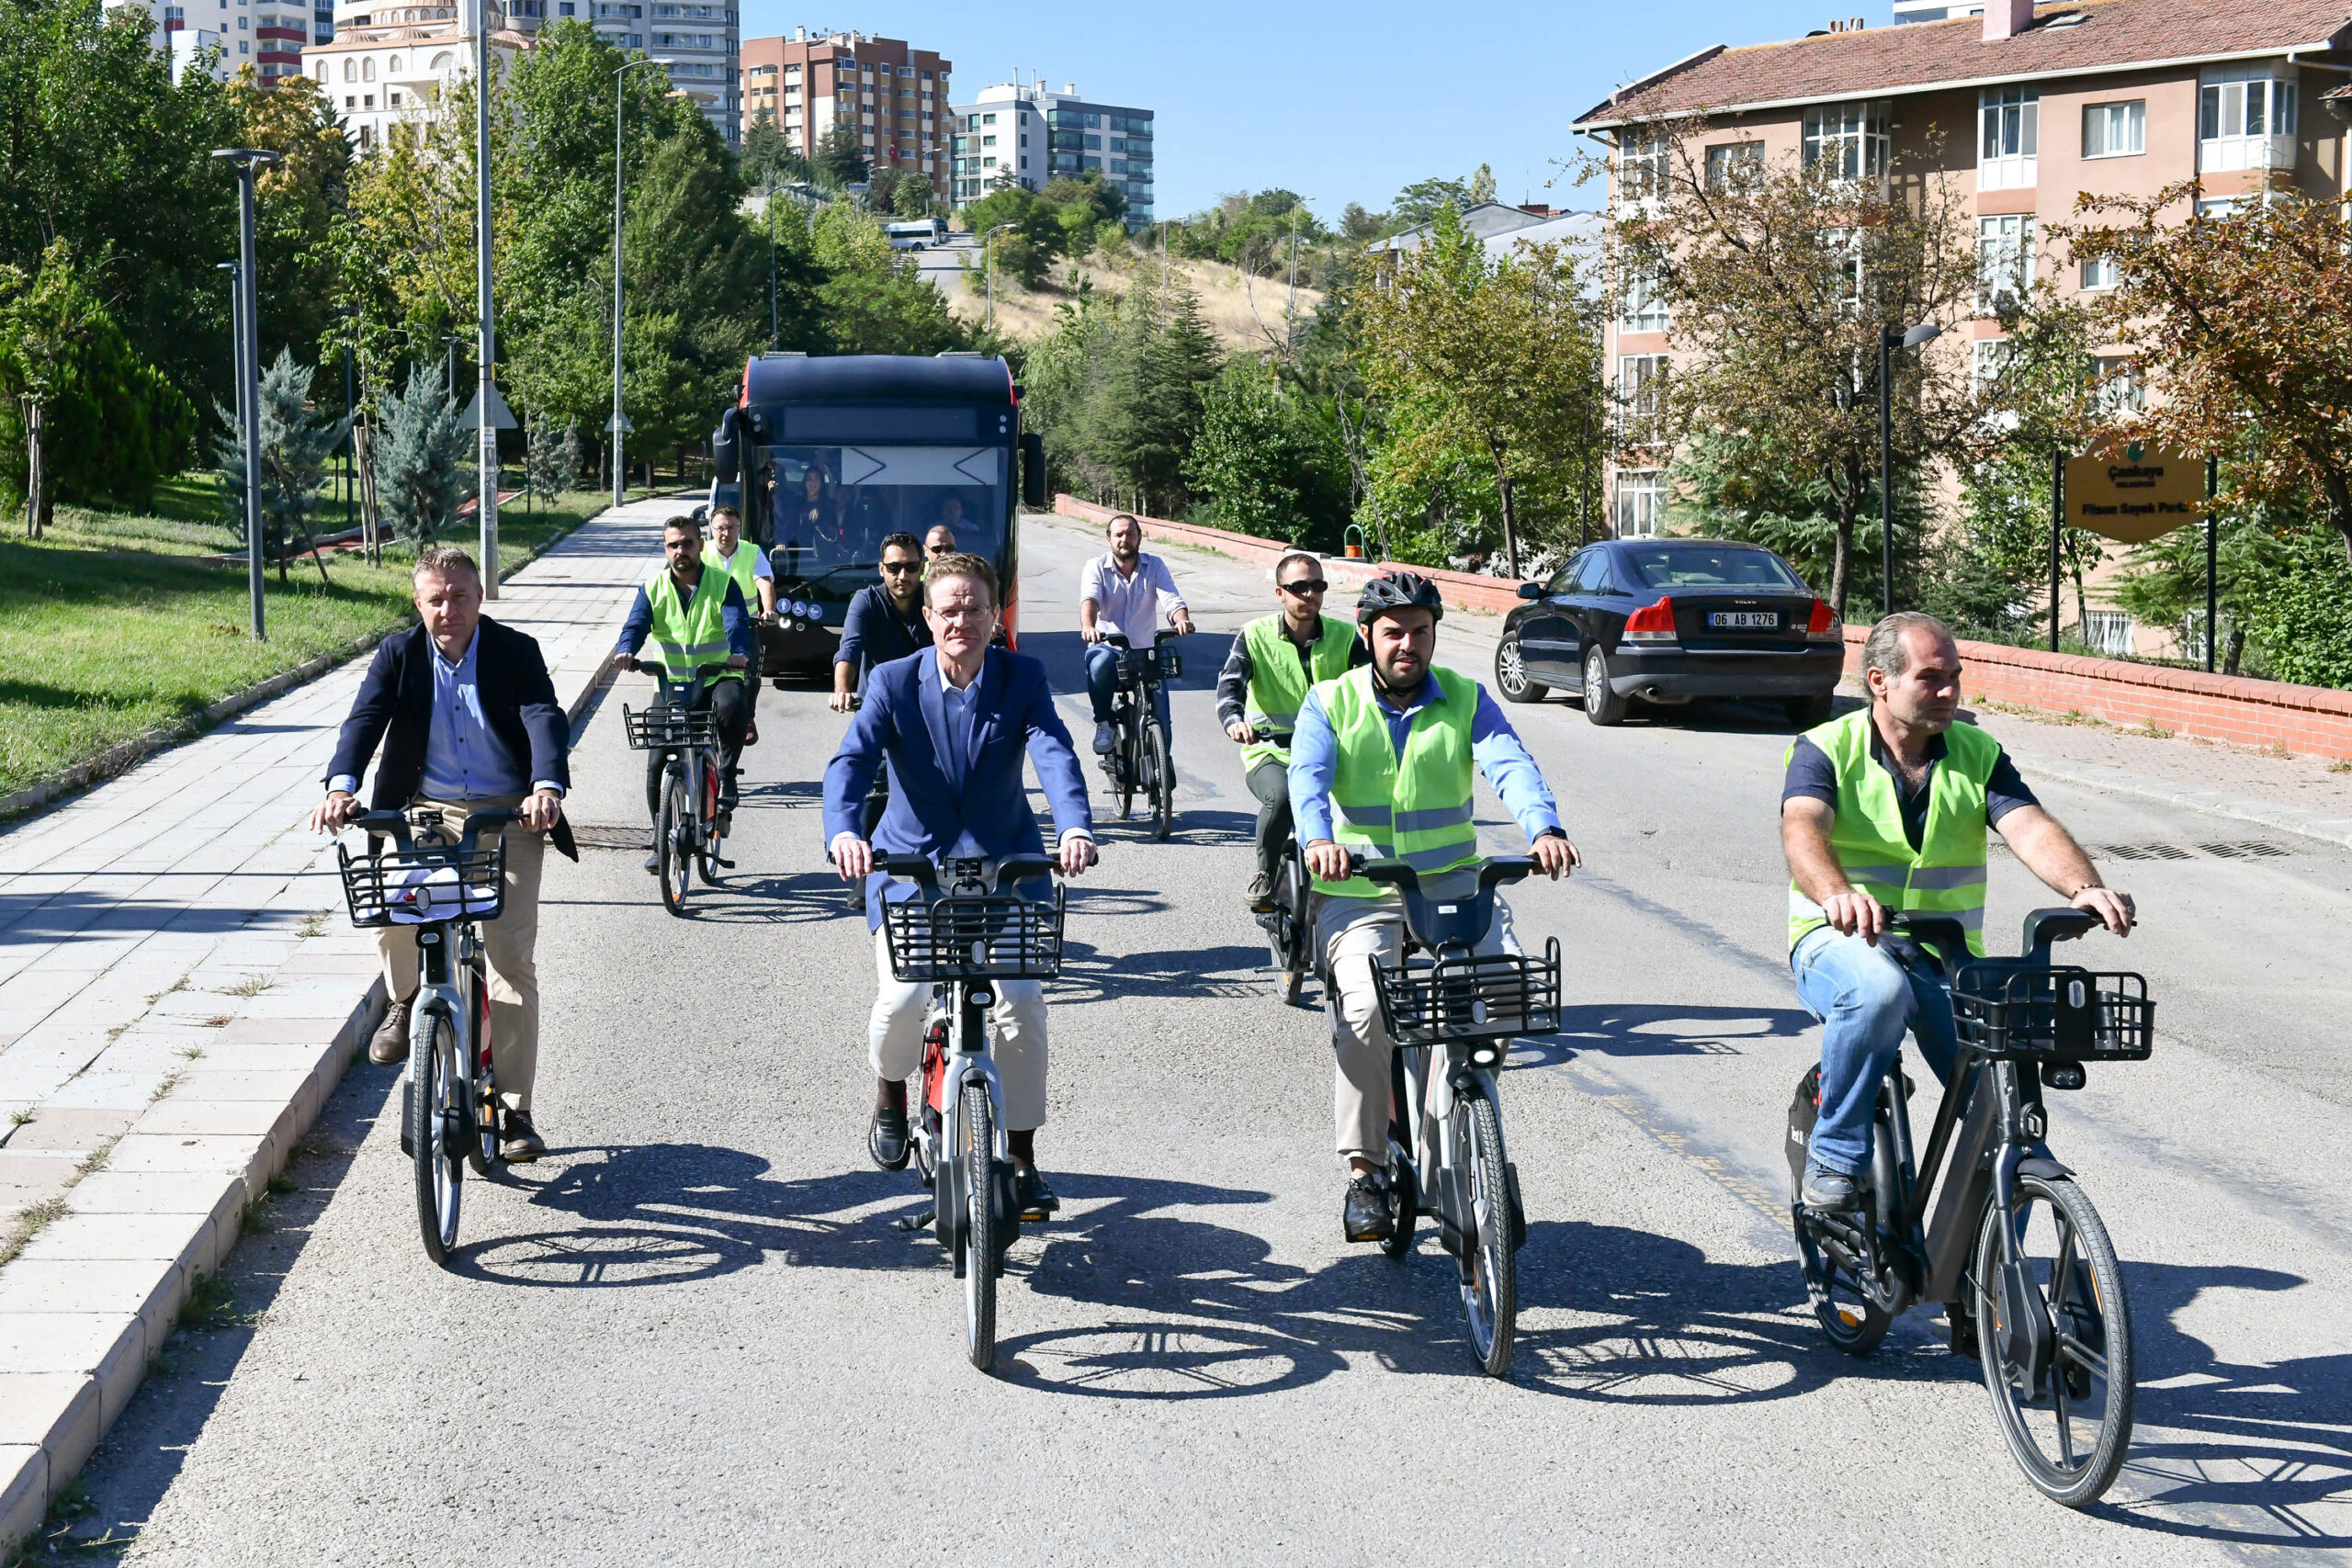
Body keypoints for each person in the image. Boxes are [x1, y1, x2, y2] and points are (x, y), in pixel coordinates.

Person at [1783, 612, 2134, 1211]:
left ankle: (1991, 1288)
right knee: (1878, 992)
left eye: (1955, 676)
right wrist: (1836, 892)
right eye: (1930, 678)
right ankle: (1834, 1151)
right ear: (1879, 681)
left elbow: (2027, 824)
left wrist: (2083, 886)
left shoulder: (1976, 751)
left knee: (2002, 1112)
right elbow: (1803, 828)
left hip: (1944, 956)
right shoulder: (1825, 748)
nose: (1949, 691)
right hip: (1841, 939)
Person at [1293, 571, 1579, 1243]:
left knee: (1505, 990)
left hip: (1453, 883)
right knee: (1365, 1010)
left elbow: (1509, 762)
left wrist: (1543, 826)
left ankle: (1454, 1121)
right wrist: (1319, 840)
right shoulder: (1328, 701)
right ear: (1367, 635)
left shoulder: (1465, 698)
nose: (1407, 645)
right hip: (1362, 889)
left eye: (1420, 632)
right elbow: (1307, 780)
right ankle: (1366, 1170)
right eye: (1393, 632)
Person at [822, 553, 1097, 1218]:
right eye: (948, 608)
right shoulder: (891, 681)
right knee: (904, 999)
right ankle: (891, 1089)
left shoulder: (1021, 677)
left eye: (975, 607)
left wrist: (1074, 828)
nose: (962, 620)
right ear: (928, 615)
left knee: (1023, 1005)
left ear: (994, 616)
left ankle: (1025, 1156)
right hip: (911, 871)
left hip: (1004, 871)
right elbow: (852, 761)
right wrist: (845, 833)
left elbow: (1054, 751)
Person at [310, 545, 576, 1162]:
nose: (447, 609)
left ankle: (514, 1111)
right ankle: (408, 1001)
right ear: (418, 603)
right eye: (436, 599)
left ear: (480, 597)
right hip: (427, 814)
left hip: (507, 812)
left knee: (510, 957)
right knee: (390, 907)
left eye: (459, 596)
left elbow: (543, 716)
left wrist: (545, 786)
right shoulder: (398, 656)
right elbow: (363, 720)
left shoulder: (515, 652)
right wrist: (340, 787)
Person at [1217, 551, 1364, 911]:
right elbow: (1229, 687)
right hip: (1270, 752)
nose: (1309, 595)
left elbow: (1370, 689)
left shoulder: (1346, 637)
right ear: (1280, 592)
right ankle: (1266, 872)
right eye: (1299, 587)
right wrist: (1235, 721)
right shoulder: (1254, 635)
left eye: (1317, 586)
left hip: (1331, 752)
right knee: (1282, 798)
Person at [614, 514, 755, 869]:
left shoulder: (723, 584)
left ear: (700, 546)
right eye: (673, 544)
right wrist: (626, 649)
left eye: (687, 543)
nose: (681, 551)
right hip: (672, 683)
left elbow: (737, 623)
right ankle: (659, 837)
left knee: (732, 706)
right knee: (656, 760)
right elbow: (636, 624)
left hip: (717, 676)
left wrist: (738, 653)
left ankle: (725, 776)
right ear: (666, 549)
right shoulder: (653, 588)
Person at [1079, 513, 1194, 756]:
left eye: (1130, 534)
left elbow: (1171, 598)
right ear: (1109, 539)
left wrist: (1181, 619)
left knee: (1162, 719)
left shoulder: (1155, 566)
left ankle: (1162, 774)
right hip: (1109, 646)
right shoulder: (1096, 567)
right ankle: (1104, 723)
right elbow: (1090, 599)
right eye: (1119, 534)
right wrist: (1089, 627)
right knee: (1098, 664)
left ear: (1139, 537)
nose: (1125, 539)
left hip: (1146, 651)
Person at [831, 532, 933, 715]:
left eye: (911, 566)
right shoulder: (866, 600)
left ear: (922, 567)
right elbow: (849, 649)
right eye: (894, 567)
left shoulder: (935, 599)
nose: (902, 575)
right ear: (881, 569)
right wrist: (842, 691)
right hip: (878, 706)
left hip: (926, 706)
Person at [705, 503, 776, 740]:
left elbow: (764, 582)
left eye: (732, 528)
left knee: (751, 673)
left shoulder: (751, 551)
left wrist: (768, 610)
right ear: (712, 529)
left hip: (745, 626)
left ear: (740, 528)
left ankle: (748, 716)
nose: (726, 534)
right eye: (721, 528)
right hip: (709, 627)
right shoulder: (702, 553)